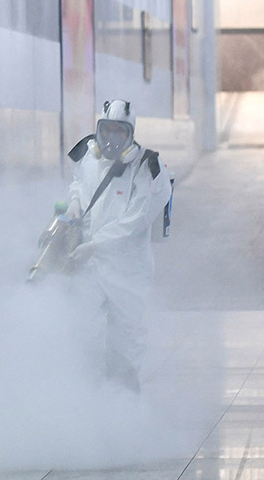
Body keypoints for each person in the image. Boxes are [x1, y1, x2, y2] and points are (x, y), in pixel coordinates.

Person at [64, 99, 172, 393]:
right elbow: (79, 183)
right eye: (106, 130)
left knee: (126, 341)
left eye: (119, 131)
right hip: (90, 265)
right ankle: (88, 401)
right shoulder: (89, 157)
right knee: (83, 333)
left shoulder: (147, 168)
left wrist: (95, 245)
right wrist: (74, 203)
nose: (111, 138)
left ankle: (126, 406)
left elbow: (136, 221)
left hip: (128, 271)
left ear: (131, 133)